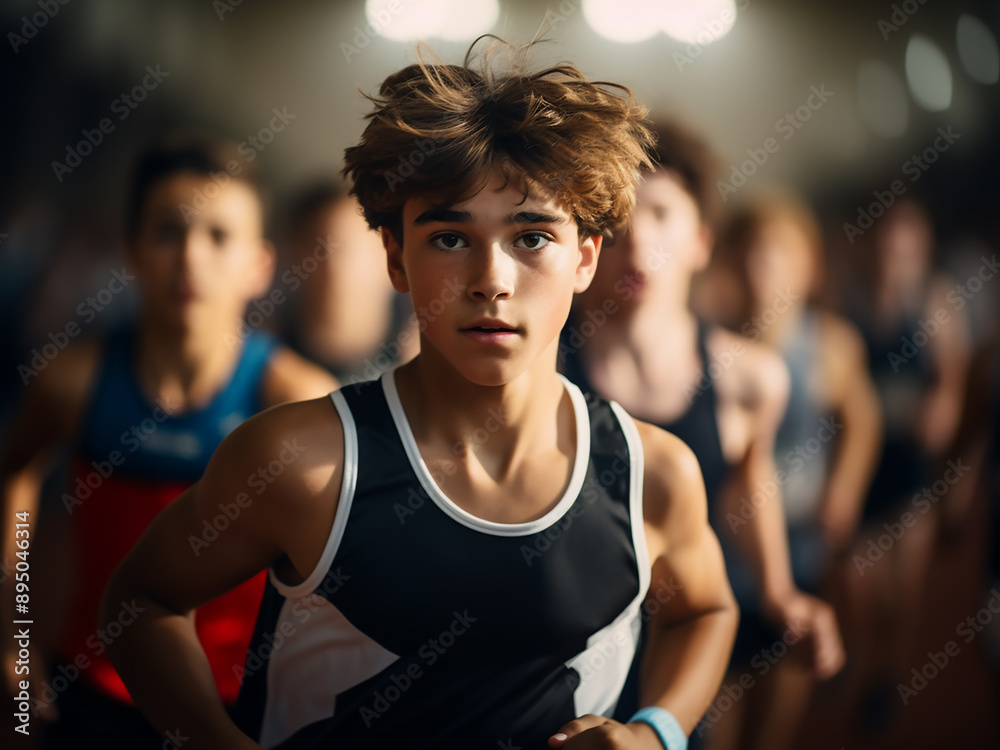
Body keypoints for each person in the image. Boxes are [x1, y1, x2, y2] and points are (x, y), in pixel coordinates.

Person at [101, 39, 739, 750]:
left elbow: (705, 611)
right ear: (397, 258)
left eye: (531, 237)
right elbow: (140, 600)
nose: (491, 278)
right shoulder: (302, 464)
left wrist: (657, 732)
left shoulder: (653, 474)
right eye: (448, 238)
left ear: (585, 258)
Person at [0, 135, 338, 749]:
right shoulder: (72, 383)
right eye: (167, 231)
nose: (191, 257)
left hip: (240, 710)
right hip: (91, 689)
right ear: (130, 250)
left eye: (218, 236)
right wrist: (12, 638)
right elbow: (13, 476)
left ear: (259, 264)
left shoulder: (294, 399)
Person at [560, 122, 844, 750]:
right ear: (586, 245)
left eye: (661, 213)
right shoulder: (536, 373)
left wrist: (781, 595)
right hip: (561, 652)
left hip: (683, 637)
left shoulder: (751, 381)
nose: (638, 237)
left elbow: (747, 485)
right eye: (619, 217)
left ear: (701, 242)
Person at [706, 192, 882, 749]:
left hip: (801, 549)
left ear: (808, 265)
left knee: (777, 712)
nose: (764, 268)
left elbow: (863, 420)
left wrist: (845, 488)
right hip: (725, 560)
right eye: (751, 254)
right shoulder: (709, 347)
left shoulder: (830, 345)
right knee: (717, 719)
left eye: (779, 253)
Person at [278, 183, 418, 383]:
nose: (333, 267)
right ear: (293, 257)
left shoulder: (433, 372)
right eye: (319, 252)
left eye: (348, 250)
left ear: (393, 260)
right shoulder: (258, 374)